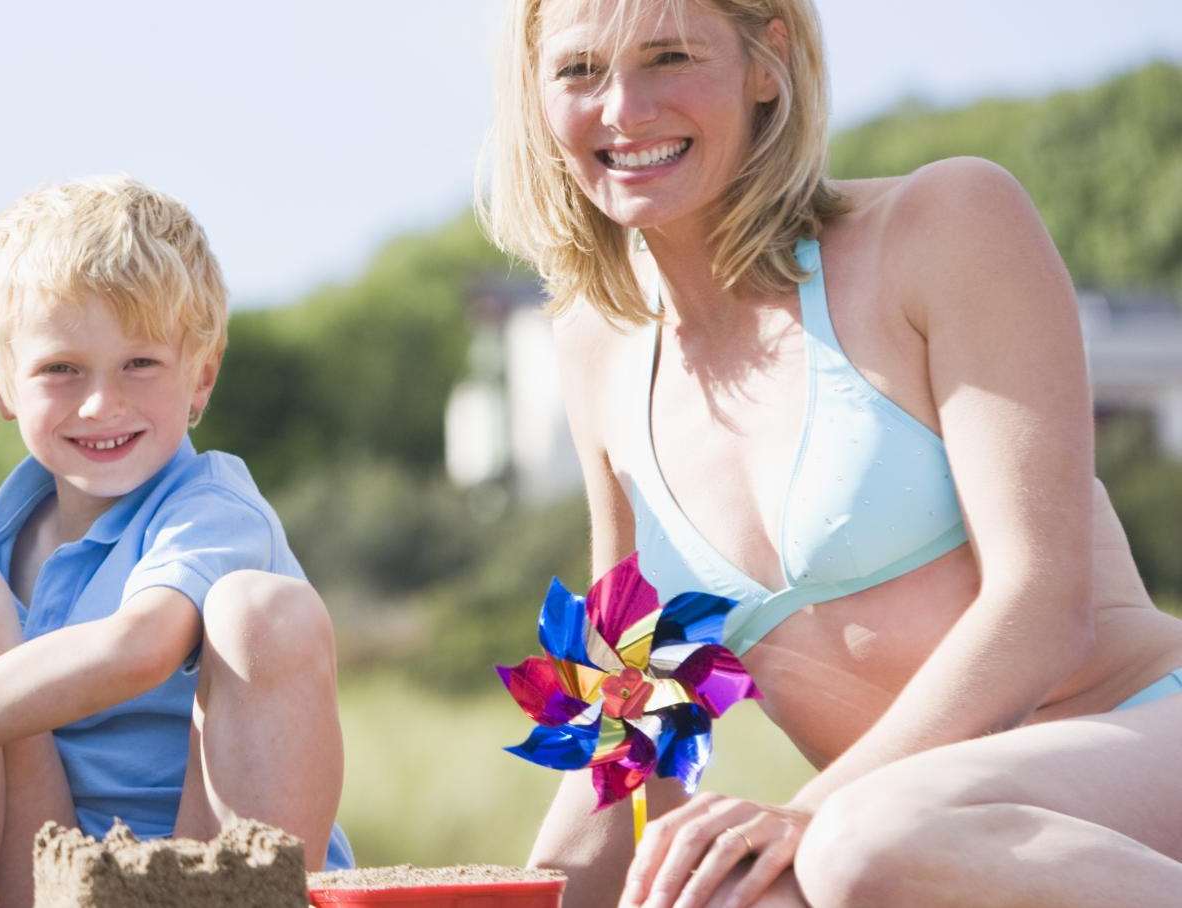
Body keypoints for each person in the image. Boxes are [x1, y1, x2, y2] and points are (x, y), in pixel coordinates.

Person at [480, 1, 1182, 905]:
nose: (624, 108)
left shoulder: (946, 222)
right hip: (891, 836)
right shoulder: (594, 344)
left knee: (840, 848)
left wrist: (806, 815)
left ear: (767, 62)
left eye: (668, 57)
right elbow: (634, 708)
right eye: (580, 72)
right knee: (748, 889)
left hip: (1138, 739)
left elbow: (1045, 605)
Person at [0, 175, 353, 904]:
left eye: (140, 363)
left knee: (263, 612)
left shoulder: (209, 507)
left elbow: (139, 648)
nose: (102, 403)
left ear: (201, 379)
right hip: (53, 877)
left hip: (201, 871)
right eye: (60, 369)